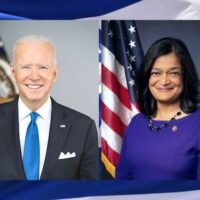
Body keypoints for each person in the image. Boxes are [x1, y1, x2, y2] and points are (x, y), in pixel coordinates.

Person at [0, 35, 98, 180]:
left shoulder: (83, 127)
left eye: (43, 67)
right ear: (13, 73)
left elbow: (89, 192)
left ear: (55, 73)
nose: (34, 76)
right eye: (26, 67)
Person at [116, 37, 200, 180]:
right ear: (147, 77)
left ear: (185, 77)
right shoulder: (137, 123)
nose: (164, 81)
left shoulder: (197, 124)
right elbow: (122, 182)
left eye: (173, 73)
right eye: (156, 73)